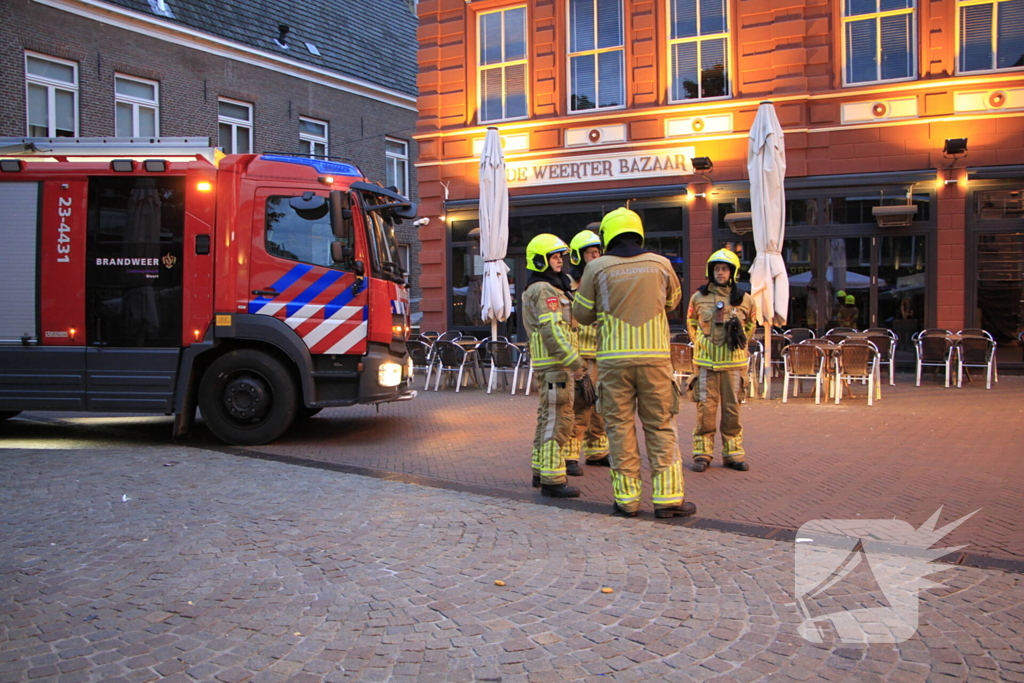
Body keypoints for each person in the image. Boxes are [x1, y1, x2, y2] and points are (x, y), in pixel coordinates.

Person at [573, 208, 695, 519]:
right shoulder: (662, 264)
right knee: (661, 426)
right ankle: (668, 499)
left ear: (607, 235)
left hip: (613, 362)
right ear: (638, 231)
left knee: (619, 428)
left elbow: (583, 314)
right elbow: (673, 302)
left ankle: (627, 500)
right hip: (655, 359)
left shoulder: (596, 268)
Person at [522, 234, 583, 498]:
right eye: (555, 257)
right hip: (556, 365)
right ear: (540, 261)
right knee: (559, 420)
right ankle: (552, 479)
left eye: (560, 257)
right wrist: (574, 361)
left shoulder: (548, 287)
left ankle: (541, 469)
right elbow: (552, 330)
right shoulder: (545, 290)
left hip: (550, 364)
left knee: (547, 417)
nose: (560, 261)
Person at [687, 248, 757, 473]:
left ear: (733, 272)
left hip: (734, 366)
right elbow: (692, 323)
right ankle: (702, 454)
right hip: (706, 365)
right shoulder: (698, 297)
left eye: (725, 269)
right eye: (716, 269)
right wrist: (701, 343)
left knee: (732, 411)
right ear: (710, 271)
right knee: (705, 410)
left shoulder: (745, 300)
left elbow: (750, 327)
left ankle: (733, 454)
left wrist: (738, 342)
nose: (720, 273)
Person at [568, 227, 610, 470]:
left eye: (597, 253)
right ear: (578, 257)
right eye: (589, 254)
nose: (594, 257)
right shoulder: (569, 286)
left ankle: (597, 451)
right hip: (580, 355)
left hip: (603, 353)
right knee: (580, 406)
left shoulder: (605, 283)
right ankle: (571, 454)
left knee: (600, 406)